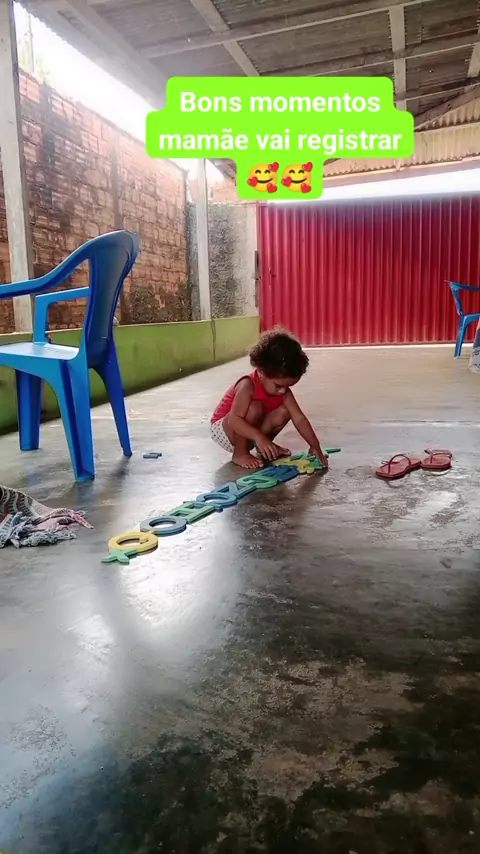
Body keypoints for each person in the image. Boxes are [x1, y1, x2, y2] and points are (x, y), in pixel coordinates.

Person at [211, 328, 328, 469]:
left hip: (250, 432)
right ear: (261, 372)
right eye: (278, 385)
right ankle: (240, 453)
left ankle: (265, 447)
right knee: (254, 408)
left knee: (285, 411)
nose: (283, 391)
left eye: (288, 386)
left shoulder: (283, 391)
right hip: (225, 431)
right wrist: (258, 436)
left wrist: (314, 445)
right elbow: (234, 420)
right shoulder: (247, 385)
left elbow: (299, 418)